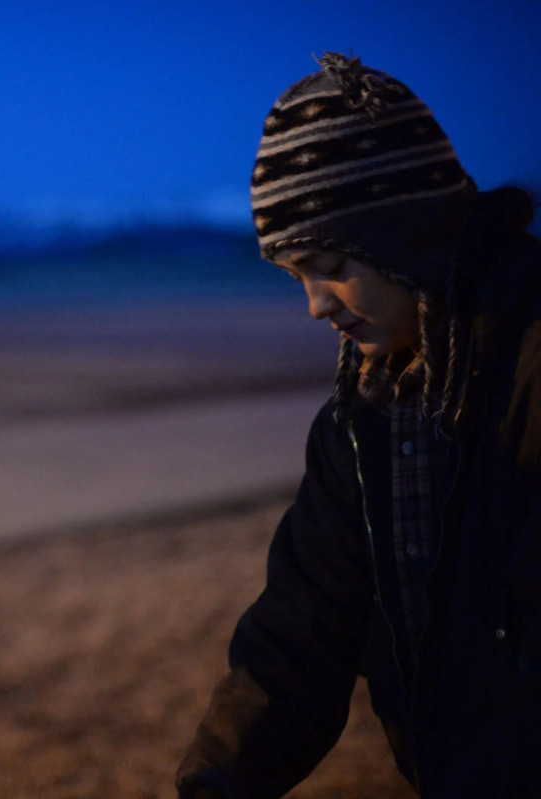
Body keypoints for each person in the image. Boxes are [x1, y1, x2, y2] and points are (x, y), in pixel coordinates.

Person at [176, 53, 541, 797]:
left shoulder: (529, 372)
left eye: (332, 263)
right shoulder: (361, 416)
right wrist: (215, 784)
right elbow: (301, 631)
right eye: (296, 277)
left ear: (407, 232)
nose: (317, 304)